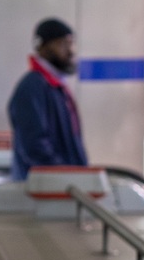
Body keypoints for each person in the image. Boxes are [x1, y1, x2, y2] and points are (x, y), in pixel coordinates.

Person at [7, 17, 88, 180]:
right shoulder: (32, 87)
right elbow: (34, 145)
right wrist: (63, 176)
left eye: (71, 43)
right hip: (44, 192)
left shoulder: (56, 87)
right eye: (63, 44)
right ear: (43, 47)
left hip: (64, 187)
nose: (71, 51)